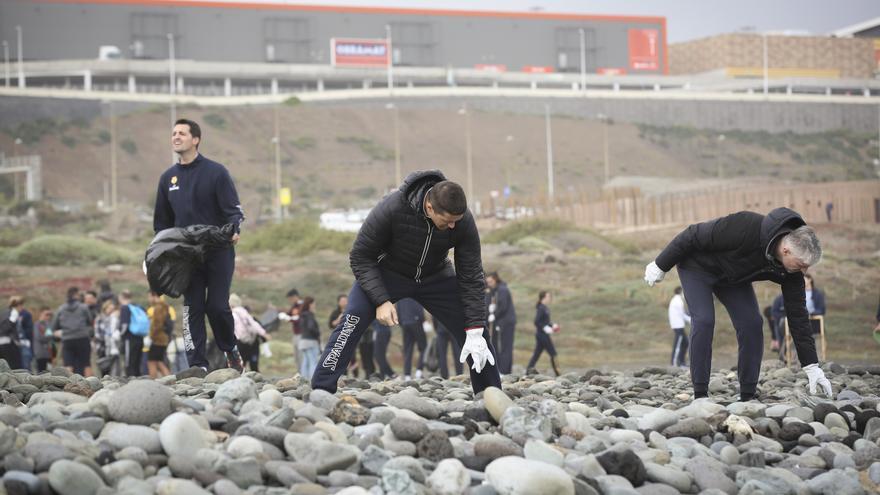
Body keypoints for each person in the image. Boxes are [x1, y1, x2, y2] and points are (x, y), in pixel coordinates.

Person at [310, 171, 500, 395]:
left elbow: (471, 273)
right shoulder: (392, 208)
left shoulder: (462, 220)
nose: (452, 227)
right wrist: (381, 300)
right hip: (387, 274)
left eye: (455, 222)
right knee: (351, 321)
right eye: (447, 221)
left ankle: (491, 394)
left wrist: (476, 326)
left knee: (475, 329)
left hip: (435, 275)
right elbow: (360, 256)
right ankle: (321, 389)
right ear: (430, 207)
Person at [644, 207, 832, 401]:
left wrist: (812, 366)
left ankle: (747, 395)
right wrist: (661, 264)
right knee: (704, 320)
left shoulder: (792, 273)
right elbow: (692, 234)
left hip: (732, 279)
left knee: (751, 324)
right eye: (802, 265)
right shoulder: (745, 226)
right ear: (786, 250)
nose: (804, 270)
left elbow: (798, 317)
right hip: (697, 267)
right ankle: (700, 394)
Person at [153, 118, 246, 375]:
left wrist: (234, 230)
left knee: (217, 306)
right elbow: (162, 225)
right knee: (191, 307)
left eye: (182, 133)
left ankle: (230, 349)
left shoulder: (216, 172)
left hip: (218, 251)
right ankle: (198, 365)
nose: (176, 137)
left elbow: (233, 211)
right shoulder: (167, 178)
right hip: (186, 256)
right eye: (173, 133)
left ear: (196, 139)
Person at [52, 287, 94, 376]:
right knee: (86, 364)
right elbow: (90, 321)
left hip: (67, 339)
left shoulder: (61, 309)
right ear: (76, 295)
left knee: (68, 365)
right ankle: (92, 386)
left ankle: (69, 387)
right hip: (82, 337)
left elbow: (54, 325)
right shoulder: (83, 307)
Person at [230, 293, 271, 372]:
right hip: (252, 342)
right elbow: (254, 324)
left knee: (241, 365)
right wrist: (264, 334)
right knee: (254, 366)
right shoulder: (245, 313)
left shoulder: (232, 314)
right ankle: (257, 381)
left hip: (241, 342)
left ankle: (240, 380)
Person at [486, 272, 516, 375]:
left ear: (495, 280)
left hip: (506, 322)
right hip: (502, 322)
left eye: (490, 281)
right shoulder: (495, 290)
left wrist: (494, 314)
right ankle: (504, 370)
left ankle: (504, 371)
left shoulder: (502, 289)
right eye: (487, 282)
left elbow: (503, 306)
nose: (488, 283)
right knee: (501, 346)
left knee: (505, 346)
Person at [526, 291, 561, 376]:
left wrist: (552, 325)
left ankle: (527, 372)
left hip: (543, 335)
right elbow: (536, 321)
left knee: (536, 354)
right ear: (543, 298)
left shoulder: (545, 308)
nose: (550, 298)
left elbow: (546, 321)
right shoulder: (541, 308)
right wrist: (544, 328)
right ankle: (558, 373)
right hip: (542, 335)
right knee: (553, 354)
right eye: (548, 296)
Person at [397, 298, 427, 380]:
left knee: (408, 349)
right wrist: (422, 320)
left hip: (405, 323)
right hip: (416, 322)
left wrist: (402, 322)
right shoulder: (414, 291)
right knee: (423, 347)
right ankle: (419, 371)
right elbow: (419, 308)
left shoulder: (401, 296)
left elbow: (398, 310)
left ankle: (407, 375)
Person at [147, 291, 174, 378]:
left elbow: (157, 325)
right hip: (163, 339)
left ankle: (153, 380)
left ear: (154, 296)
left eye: (149, 297)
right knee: (159, 361)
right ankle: (170, 379)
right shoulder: (165, 306)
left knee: (152, 361)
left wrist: (151, 336)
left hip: (158, 339)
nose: (149, 299)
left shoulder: (158, 308)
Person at [118, 290, 144, 377]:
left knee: (129, 361)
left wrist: (120, 334)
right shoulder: (138, 306)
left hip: (129, 338)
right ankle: (138, 378)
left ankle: (130, 380)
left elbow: (124, 324)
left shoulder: (125, 308)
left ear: (122, 298)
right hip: (140, 337)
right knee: (137, 361)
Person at [94, 300, 122, 377]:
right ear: (105, 308)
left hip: (113, 347)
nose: (111, 311)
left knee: (114, 368)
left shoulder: (115, 319)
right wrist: (107, 338)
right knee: (104, 368)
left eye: (112, 309)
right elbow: (97, 334)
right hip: (102, 347)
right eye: (109, 308)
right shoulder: (99, 318)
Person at [298, 297, 320, 380]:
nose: (315, 305)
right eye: (314, 303)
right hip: (311, 341)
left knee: (306, 362)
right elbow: (311, 327)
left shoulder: (302, 315)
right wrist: (317, 334)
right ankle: (313, 379)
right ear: (310, 304)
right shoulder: (309, 315)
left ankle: (304, 380)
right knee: (313, 361)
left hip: (303, 341)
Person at [668, 286, 691, 367]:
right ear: (681, 292)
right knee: (678, 344)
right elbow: (682, 315)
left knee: (685, 342)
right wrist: (691, 320)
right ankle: (673, 363)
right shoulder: (678, 301)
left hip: (678, 325)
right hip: (678, 326)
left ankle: (681, 362)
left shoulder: (676, 300)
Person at [0, 296, 23, 369]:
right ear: (18, 305)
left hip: (1, 342)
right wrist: (17, 340)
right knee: (15, 367)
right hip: (9, 342)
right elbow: (9, 326)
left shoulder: (3, 312)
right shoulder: (14, 312)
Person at [33, 307, 53, 373]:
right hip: (40, 354)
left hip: (49, 354)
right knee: (41, 373)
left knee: (49, 373)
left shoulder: (48, 324)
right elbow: (40, 337)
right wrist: (50, 336)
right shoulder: (37, 324)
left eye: (50, 315)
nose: (49, 316)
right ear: (41, 314)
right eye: (47, 314)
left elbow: (50, 337)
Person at [16, 298, 33, 372]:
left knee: (25, 365)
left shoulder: (26, 314)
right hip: (14, 343)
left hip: (24, 342)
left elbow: (29, 330)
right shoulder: (11, 314)